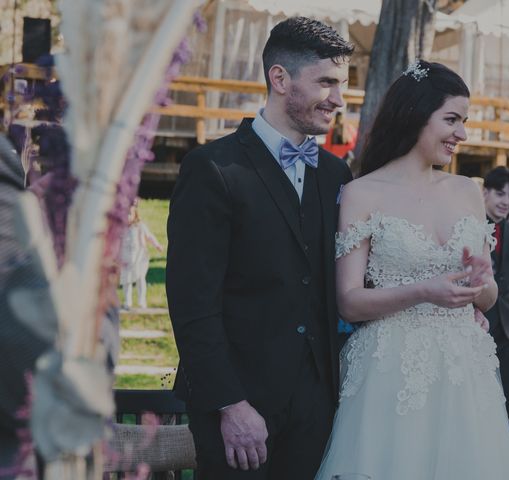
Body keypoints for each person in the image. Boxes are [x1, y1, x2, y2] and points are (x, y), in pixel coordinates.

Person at [314, 61, 509, 479]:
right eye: (451, 120)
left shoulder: (467, 191)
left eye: (464, 121)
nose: (461, 134)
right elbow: (349, 301)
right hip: (391, 370)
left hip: (463, 371)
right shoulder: (361, 194)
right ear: (415, 114)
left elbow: (488, 296)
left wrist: (479, 282)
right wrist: (425, 291)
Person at [166, 17, 353, 479]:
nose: (338, 99)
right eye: (326, 83)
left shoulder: (336, 176)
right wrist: (230, 404)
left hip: (317, 407)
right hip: (238, 406)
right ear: (280, 78)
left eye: (341, 84)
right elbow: (192, 303)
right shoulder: (212, 169)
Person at [482, 167, 509, 423]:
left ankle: (505, 436)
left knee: (506, 387)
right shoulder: (469, 225)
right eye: (500, 194)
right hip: (476, 317)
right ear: (485, 192)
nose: (506, 202)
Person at [119, 198, 162, 310]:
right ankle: (127, 302)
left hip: (139, 259)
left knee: (140, 279)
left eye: (129, 214)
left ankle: (141, 301)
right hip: (126, 260)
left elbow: (149, 236)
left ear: (135, 214)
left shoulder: (139, 226)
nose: (127, 217)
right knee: (126, 282)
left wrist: (156, 244)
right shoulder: (121, 228)